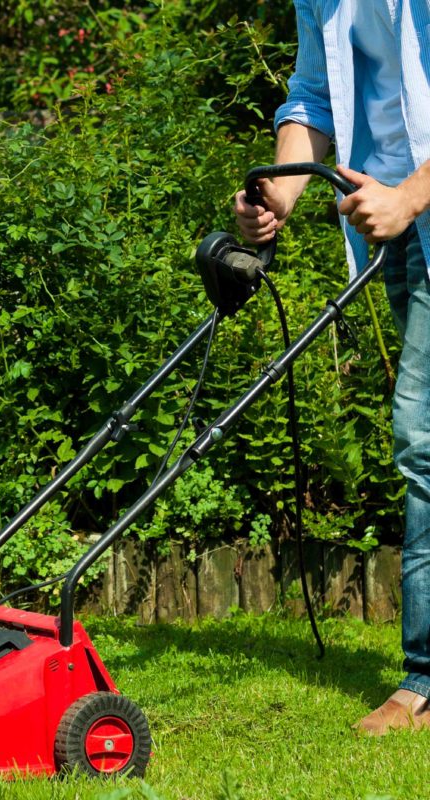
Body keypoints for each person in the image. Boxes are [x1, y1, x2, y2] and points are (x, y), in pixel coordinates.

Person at [235, 0, 430, 735]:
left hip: (411, 202)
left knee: (422, 434)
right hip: (392, 221)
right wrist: (279, 190)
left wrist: (411, 194)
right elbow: (314, 96)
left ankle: (424, 683)